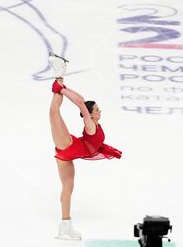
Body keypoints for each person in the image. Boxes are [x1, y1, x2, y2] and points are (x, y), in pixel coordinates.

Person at [48, 54, 122, 240]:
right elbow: (81, 103)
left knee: (68, 187)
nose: (100, 111)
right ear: (90, 115)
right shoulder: (90, 125)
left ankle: (65, 226)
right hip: (68, 145)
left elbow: (83, 100)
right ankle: (58, 71)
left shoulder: (96, 124)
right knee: (54, 111)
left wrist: (64, 89)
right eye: (96, 110)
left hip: (70, 154)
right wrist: (61, 90)